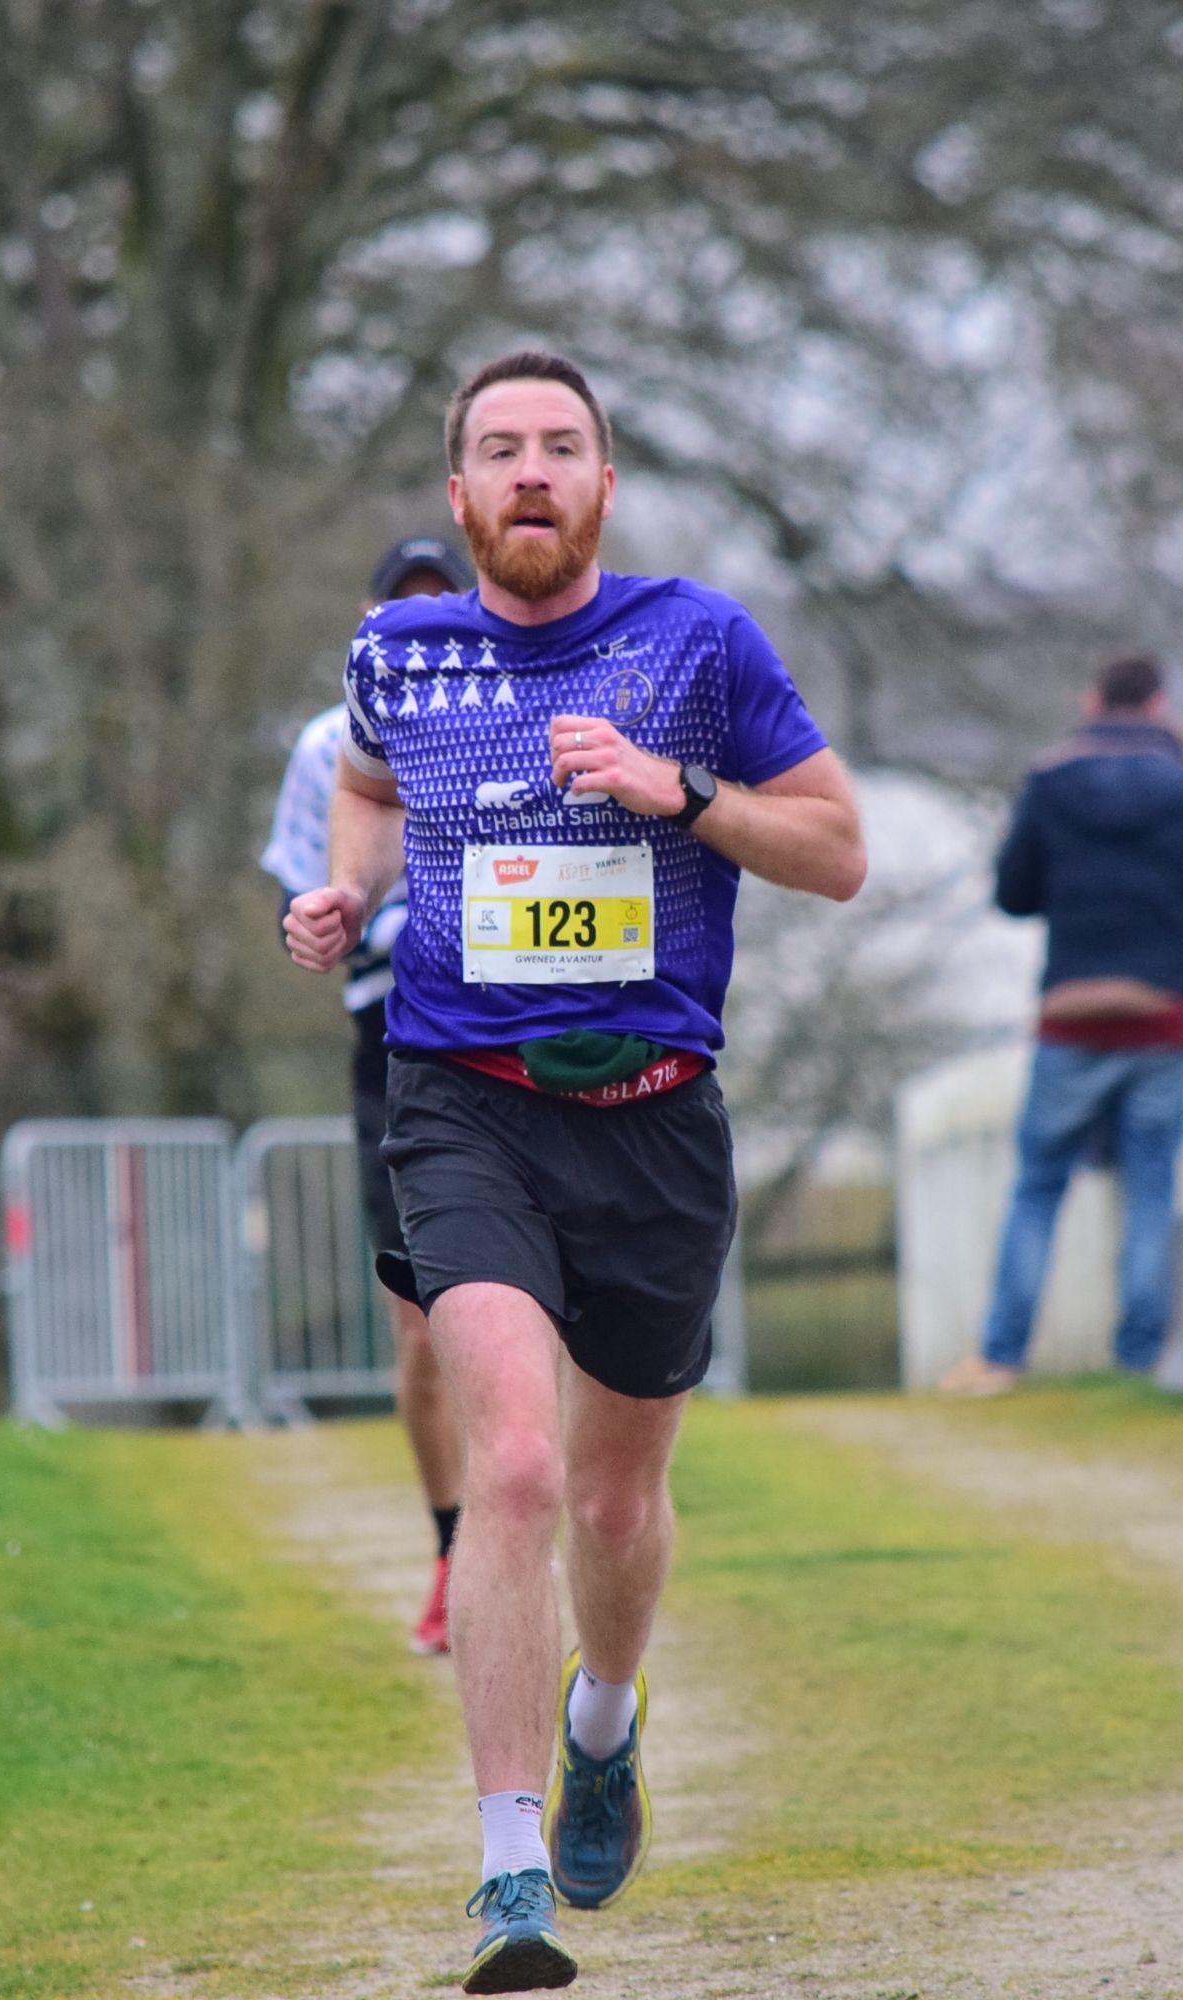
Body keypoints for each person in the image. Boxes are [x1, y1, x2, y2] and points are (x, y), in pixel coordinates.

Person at [283, 349, 864, 1994]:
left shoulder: (699, 644)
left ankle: (603, 1722)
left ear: (604, 484)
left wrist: (681, 791)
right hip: (462, 1103)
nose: (530, 470)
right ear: (459, 494)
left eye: (560, 446)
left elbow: (838, 851)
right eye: (499, 449)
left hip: (655, 1118)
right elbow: (366, 781)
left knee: (613, 1497)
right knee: (520, 1469)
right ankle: (508, 1870)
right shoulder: (398, 653)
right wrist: (343, 893)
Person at [262, 534, 481, 1654]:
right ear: (369, 619)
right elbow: (305, 894)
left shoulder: (515, 717)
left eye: (445, 603)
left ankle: (527, 1541)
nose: (424, 625)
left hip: (510, 1026)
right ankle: (454, 1551)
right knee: (423, 1323)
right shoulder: (327, 745)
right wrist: (325, 918)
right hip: (391, 1037)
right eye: (405, 607)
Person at [941, 654, 1183, 1398]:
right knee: (1151, 1190)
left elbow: (1014, 895)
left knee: (1038, 1188)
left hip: (1071, 1016)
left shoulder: (1049, 782)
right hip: (1164, 1016)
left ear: (1092, 702)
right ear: (1159, 707)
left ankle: (1002, 1357)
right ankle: (1141, 1358)